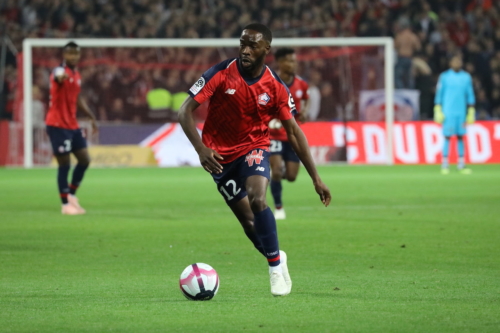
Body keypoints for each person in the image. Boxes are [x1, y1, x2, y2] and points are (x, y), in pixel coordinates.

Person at [178, 23, 331, 297]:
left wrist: (316, 179)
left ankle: (274, 270)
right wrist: (201, 149)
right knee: (250, 225)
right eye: (242, 43)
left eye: (252, 46)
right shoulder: (221, 72)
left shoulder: (275, 87)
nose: (245, 50)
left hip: (255, 147)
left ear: (266, 49)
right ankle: (277, 256)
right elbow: (184, 111)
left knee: (258, 199)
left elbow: (294, 132)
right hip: (219, 157)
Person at [45, 41, 98, 215]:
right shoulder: (59, 71)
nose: (73, 57)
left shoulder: (76, 74)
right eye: (70, 54)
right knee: (64, 165)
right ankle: (65, 204)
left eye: (76, 54)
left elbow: (78, 97)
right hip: (57, 124)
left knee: (84, 160)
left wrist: (90, 116)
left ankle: (72, 195)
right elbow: (58, 76)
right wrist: (61, 77)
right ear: (64, 55)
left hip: (72, 124)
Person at [268, 48, 310, 220]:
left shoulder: (301, 84)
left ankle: (275, 176)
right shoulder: (270, 82)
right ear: (280, 62)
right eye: (290, 61)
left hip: (292, 136)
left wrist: (305, 111)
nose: (294, 64)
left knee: (291, 177)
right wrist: (270, 120)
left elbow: (306, 98)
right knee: (277, 171)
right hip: (273, 135)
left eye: (295, 61)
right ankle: (279, 207)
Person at [434, 55, 475, 174]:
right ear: (450, 63)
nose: (457, 63)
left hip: (461, 112)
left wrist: (471, 110)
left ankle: (461, 164)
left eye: (459, 60)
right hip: (448, 112)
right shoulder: (444, 76)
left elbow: (470, 93)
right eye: (455, 61)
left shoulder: (466, 77)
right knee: (447, 136)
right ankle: (445, 164)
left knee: (461, 136)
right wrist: (437, 108)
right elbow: (439, 93)